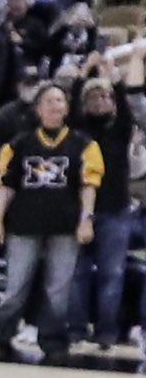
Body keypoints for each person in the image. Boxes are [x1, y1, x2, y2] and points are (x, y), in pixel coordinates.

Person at [0, 82, 102, 363]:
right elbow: (6, 186)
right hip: (23, 226)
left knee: (58, 290)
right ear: (38, 109)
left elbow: (88, 186)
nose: (54, 106)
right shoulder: (18, 144)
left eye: (59, 100)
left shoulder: (84, 145)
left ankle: (52, 340)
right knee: (15, 287)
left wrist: (86, 219)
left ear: (66, 108)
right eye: (48, 101)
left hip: (65, 227)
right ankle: (2, 337)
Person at [69, 79, 136, 352]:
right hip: (79, 211)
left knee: (112, 273)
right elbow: (72, 110)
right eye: (94, 97)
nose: (100, 101)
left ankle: (107, 330)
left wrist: (116, 81)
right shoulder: (78, 132)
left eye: (106, 96)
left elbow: (127, 111)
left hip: (115, 211)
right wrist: (81, 78)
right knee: (77, 274)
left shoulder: (119, 130)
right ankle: (75, 328)